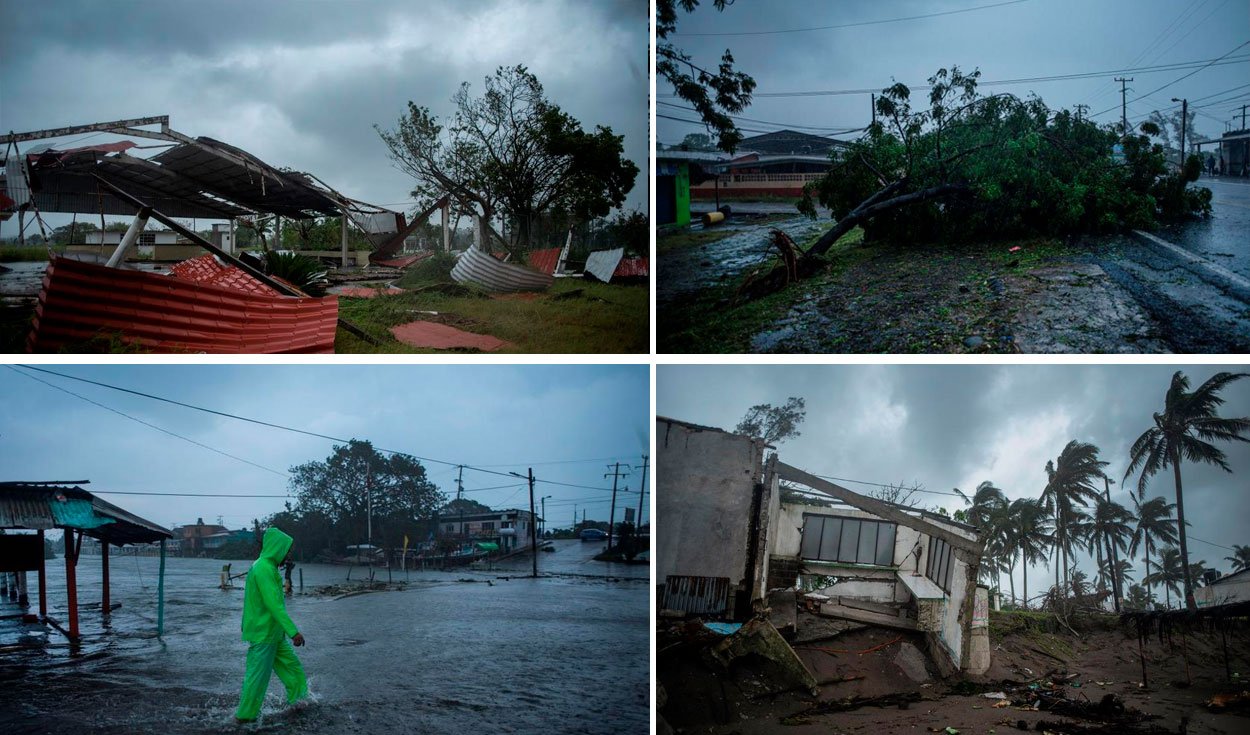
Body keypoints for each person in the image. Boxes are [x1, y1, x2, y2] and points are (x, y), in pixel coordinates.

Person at [235, 527, 308, 722]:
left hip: (274, 634)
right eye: (286, 550)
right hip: (264, 635)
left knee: (293, 669)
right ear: (277, 548)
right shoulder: (264, 568)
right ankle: (244, 718)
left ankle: (300, 703)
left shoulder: (267, 567)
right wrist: (293, 632)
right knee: (257, 680)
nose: (288, 555)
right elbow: (274, 605)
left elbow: (254, 602)